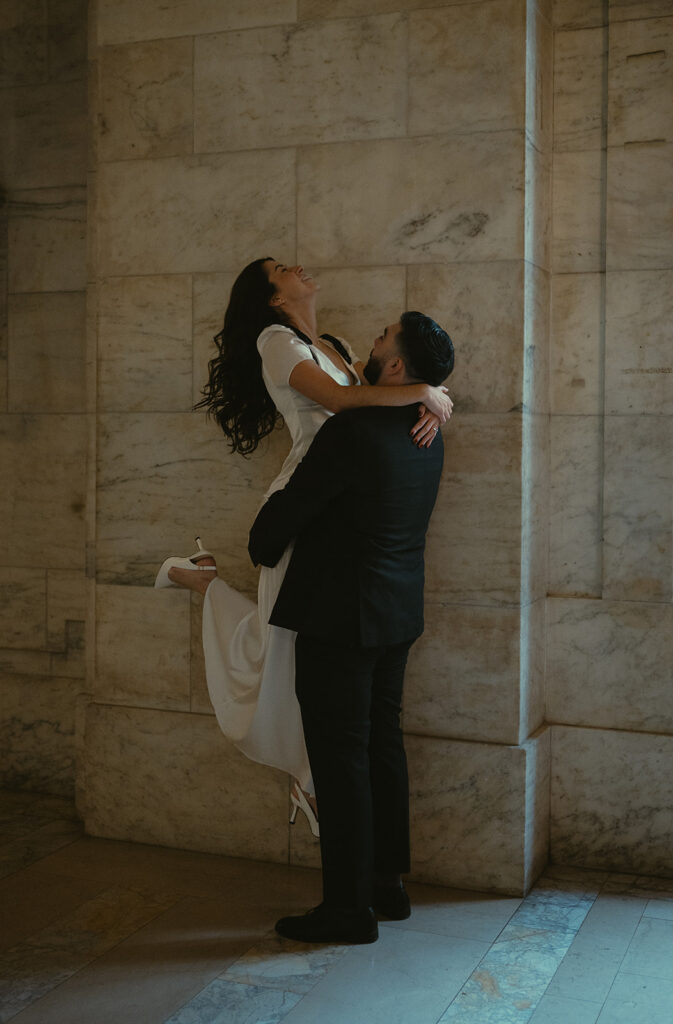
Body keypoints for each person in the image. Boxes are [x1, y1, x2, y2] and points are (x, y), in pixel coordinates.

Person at [156, 259, 453, 834]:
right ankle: (206, 583)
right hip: (302, 497)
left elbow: (381, 396)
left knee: (293, 656)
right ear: (272, 298)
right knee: (279, 650)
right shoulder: (274, 341)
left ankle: (310, 780)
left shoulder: (338, 344)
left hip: (341, 504)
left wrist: (429, 404)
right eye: (280, 269)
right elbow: (343, 407)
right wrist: (426, 392)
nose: (296, 265)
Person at [248, 311, 454, 944]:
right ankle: (386, 887)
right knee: (381, 747)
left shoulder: (352, 432)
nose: (370, 342)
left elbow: (276, 528)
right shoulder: (429, 430)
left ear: (394, 367)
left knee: (340, 761)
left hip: (339, 618)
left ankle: (345, 908)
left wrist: (261, 539)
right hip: (397, 613)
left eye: (382, 338)